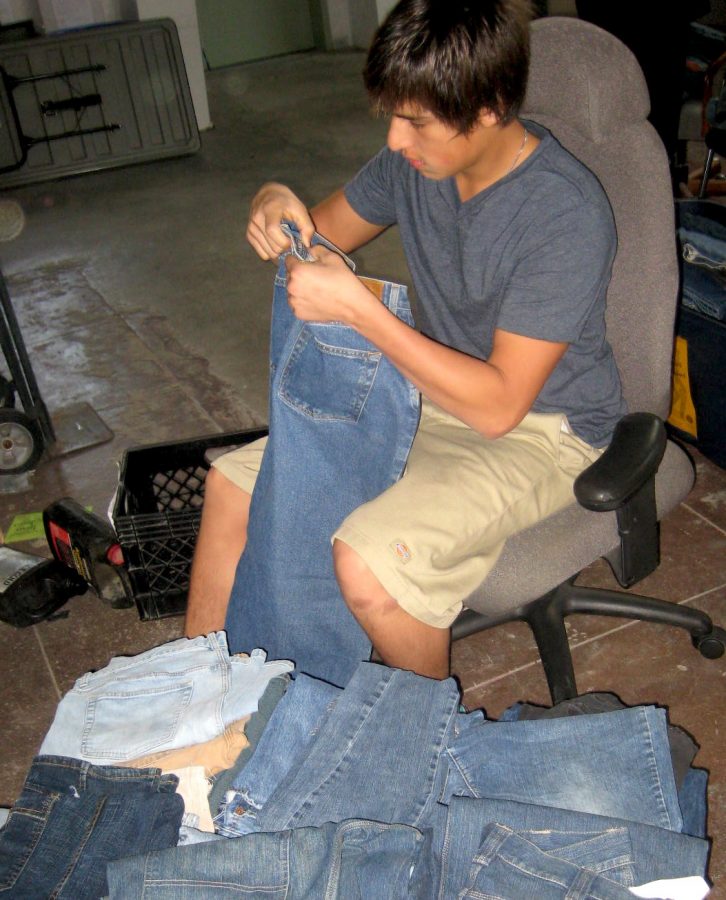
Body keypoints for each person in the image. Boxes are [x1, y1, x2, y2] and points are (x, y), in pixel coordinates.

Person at [185, 0, 626, 680]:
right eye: (393, 115)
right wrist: (275, 202)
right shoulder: (415, 167)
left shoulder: (563, 213)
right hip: (433, 396)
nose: (395, 140)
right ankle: (197, 703)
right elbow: (316, 235)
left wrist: (363, 313)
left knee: (367, 563)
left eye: (415, 120)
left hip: (544, 430)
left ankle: (422, 748)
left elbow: (499, 406)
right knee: (230, 489)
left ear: (490, 107)